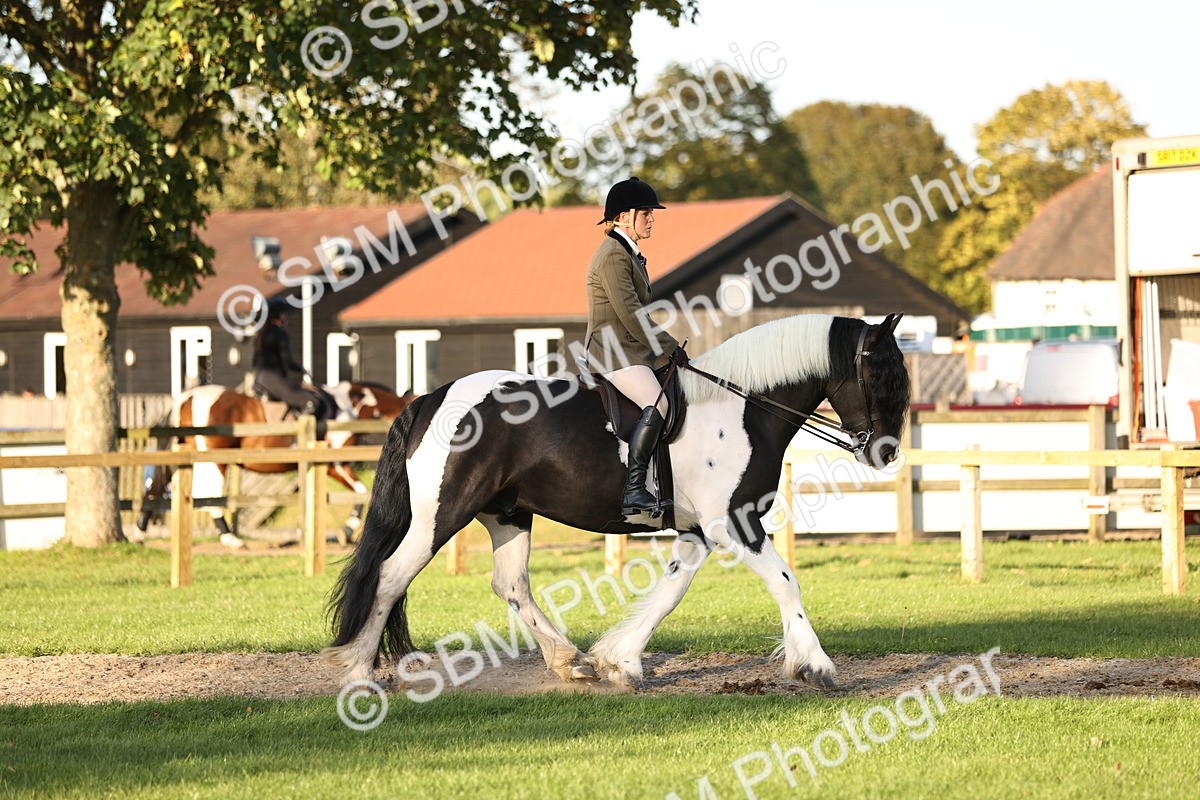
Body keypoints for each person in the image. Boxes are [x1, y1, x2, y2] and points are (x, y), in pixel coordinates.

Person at [584, 177, 681, 516]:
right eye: (645, 213)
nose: (651, 218)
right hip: (613, 351)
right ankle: (635, 488)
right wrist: (669, 346)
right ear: (624, 217)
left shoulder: (627, 252)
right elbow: (630, 312)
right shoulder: (612, 255)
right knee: (659, 404)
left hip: (631, 349)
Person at [252, 297, 326, 419]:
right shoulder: (280, 334)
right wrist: (302, 370)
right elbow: (288, 361)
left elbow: (255, 362)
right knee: (312, 402)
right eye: (285, 314)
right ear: (280, 316)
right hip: (273, 379)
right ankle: (299, 435)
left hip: (259, 379)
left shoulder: (260, 335)